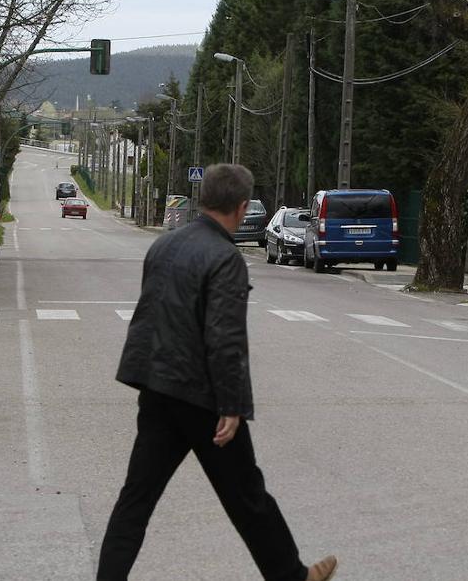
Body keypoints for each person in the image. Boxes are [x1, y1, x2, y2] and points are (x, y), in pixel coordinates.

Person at [98, 163, 337, 581]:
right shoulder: (226, 258)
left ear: (203, 198)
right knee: (247, 496)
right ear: (242, 207)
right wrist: (231, 405)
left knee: (135, 499)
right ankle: (292, 578)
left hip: (156, 389)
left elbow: (151, 317)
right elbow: (224, 338)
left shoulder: (164, 245)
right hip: (203, 398)